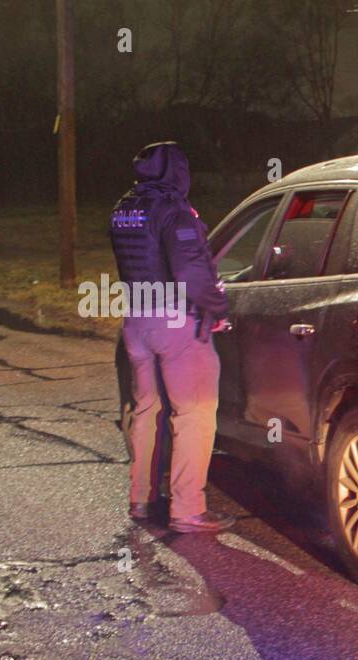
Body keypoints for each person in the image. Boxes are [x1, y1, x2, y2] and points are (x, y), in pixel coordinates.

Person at [110, 141, 234, 533]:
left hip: (136, 320)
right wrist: (216, 308)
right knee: (194, 413)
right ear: (176, 172)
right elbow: (191, 271)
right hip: (175, 321)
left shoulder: (124, 208)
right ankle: (188, 510)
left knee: (146, 412)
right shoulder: (174, 211)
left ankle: (142, 499)